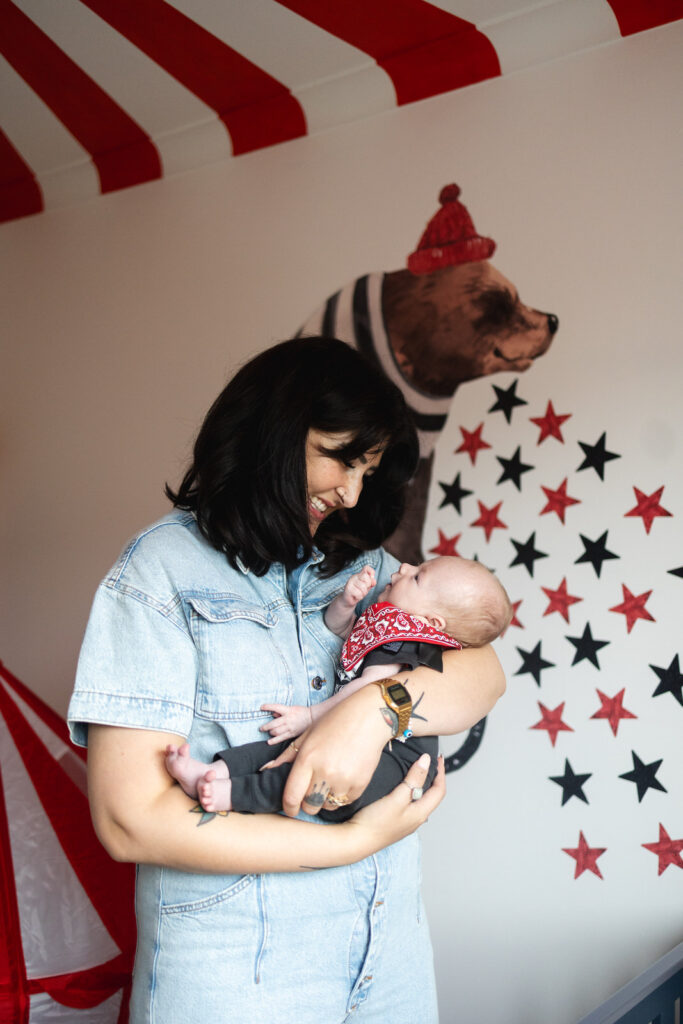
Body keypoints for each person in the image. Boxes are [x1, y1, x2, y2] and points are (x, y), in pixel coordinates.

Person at [68, 337, 506, 1024]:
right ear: (272, 432)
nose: (351, 493)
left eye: (368, 470)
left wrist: (373, 711)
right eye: (340, 457)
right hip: (241, 976)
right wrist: (347, 843)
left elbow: (483, 673)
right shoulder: (158, 573)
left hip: (387, 956)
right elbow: (131, 822)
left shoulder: (360, 563)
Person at [165, 555, 511, 820]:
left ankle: (231, 794)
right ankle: (213, 771)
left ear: (431, 622)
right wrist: (346, 605)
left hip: (393, 762)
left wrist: (309, 716)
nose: (405, 566)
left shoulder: (405, 641)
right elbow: (343, 636)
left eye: (418, 576)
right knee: (280, 747)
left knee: (302, 771)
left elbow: (368, 689)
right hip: (354, 739)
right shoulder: (386, 624)